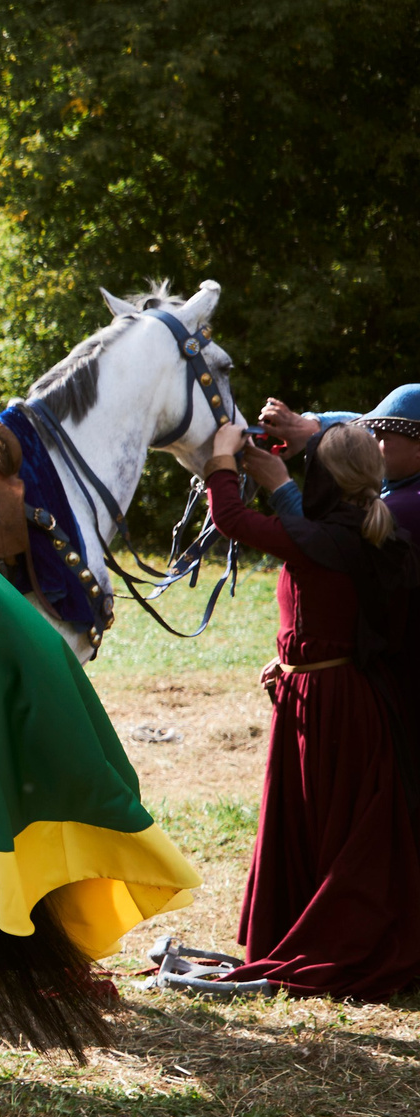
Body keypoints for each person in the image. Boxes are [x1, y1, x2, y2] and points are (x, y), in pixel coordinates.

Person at [206, 419, 420, 999]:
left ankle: (331, 939)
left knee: (330, 829)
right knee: (321, 824)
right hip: (329, 694)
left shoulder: (330, 539)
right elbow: (345, 616)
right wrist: (294, 659)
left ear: (323, 476)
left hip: (333, 707)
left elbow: (230, 519)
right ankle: (303, 926)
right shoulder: (366, 533)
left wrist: (223, 459)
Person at [258, 389, 420, 540]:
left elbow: (326, 545)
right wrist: (313, 427)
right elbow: (365, 425)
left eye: (380, 436)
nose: (370, 441)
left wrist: (280, 486)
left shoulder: (405, 508)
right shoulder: (405, 479)